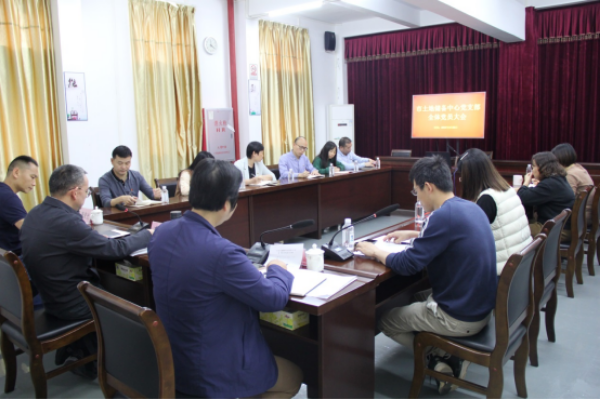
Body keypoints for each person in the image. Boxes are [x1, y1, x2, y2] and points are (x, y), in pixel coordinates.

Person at [149, 159, 302, 399]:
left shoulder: (161, 233)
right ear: (227, 205)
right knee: (293, 377)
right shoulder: (221, 253)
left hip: (171, 359)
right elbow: (273, 299)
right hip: (211, 370)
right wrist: (277, 268)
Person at [356, 156, 497, 394]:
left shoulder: (442, 216)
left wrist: (375, 251)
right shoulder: (469, 207)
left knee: (386, 320)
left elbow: (408, 264)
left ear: (429, 187)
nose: (417, 198)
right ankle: (445, 353)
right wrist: (414, 234)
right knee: (413, 297)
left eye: (417, 191)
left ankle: (444, 357)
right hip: (480, 307)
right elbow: (448, 237)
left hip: (460, 317)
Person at [21, 164, 152, 378]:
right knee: (128, 298)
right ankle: (122, 364)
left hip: (50, 295)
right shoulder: (65, 221)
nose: (86, 196)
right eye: (86, 191)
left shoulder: (35, 213)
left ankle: (80, 348)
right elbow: (114, 249)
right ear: (75, 192)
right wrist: (148, 234)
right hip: (72, 303)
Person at [457, 149, 532, 275]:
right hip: (521, 266)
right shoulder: (506, 188)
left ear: (471, 178)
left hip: (502, 271)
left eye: (462, 176)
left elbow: (469, 240)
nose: (461, 180)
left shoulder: (487, 200)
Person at [517, 152, 575, 241]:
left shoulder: (550, 184)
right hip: (561, 226)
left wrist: (525, 183)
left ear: (541, 168)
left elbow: (523, 197)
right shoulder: (558, 179)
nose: (532, 170)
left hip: (555, 230)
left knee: (516, 230)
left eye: (533, 167)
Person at [0, 156, 38, 255]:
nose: (34, 183)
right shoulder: (8, 198)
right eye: (32, 177)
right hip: (13, 259)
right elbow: (31, 231)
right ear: (16, 172)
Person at [551, 143, 595, 224]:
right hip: (586, 214)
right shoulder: (578, 168)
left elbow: (566, 200)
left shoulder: (570, 174)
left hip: (579, 218)